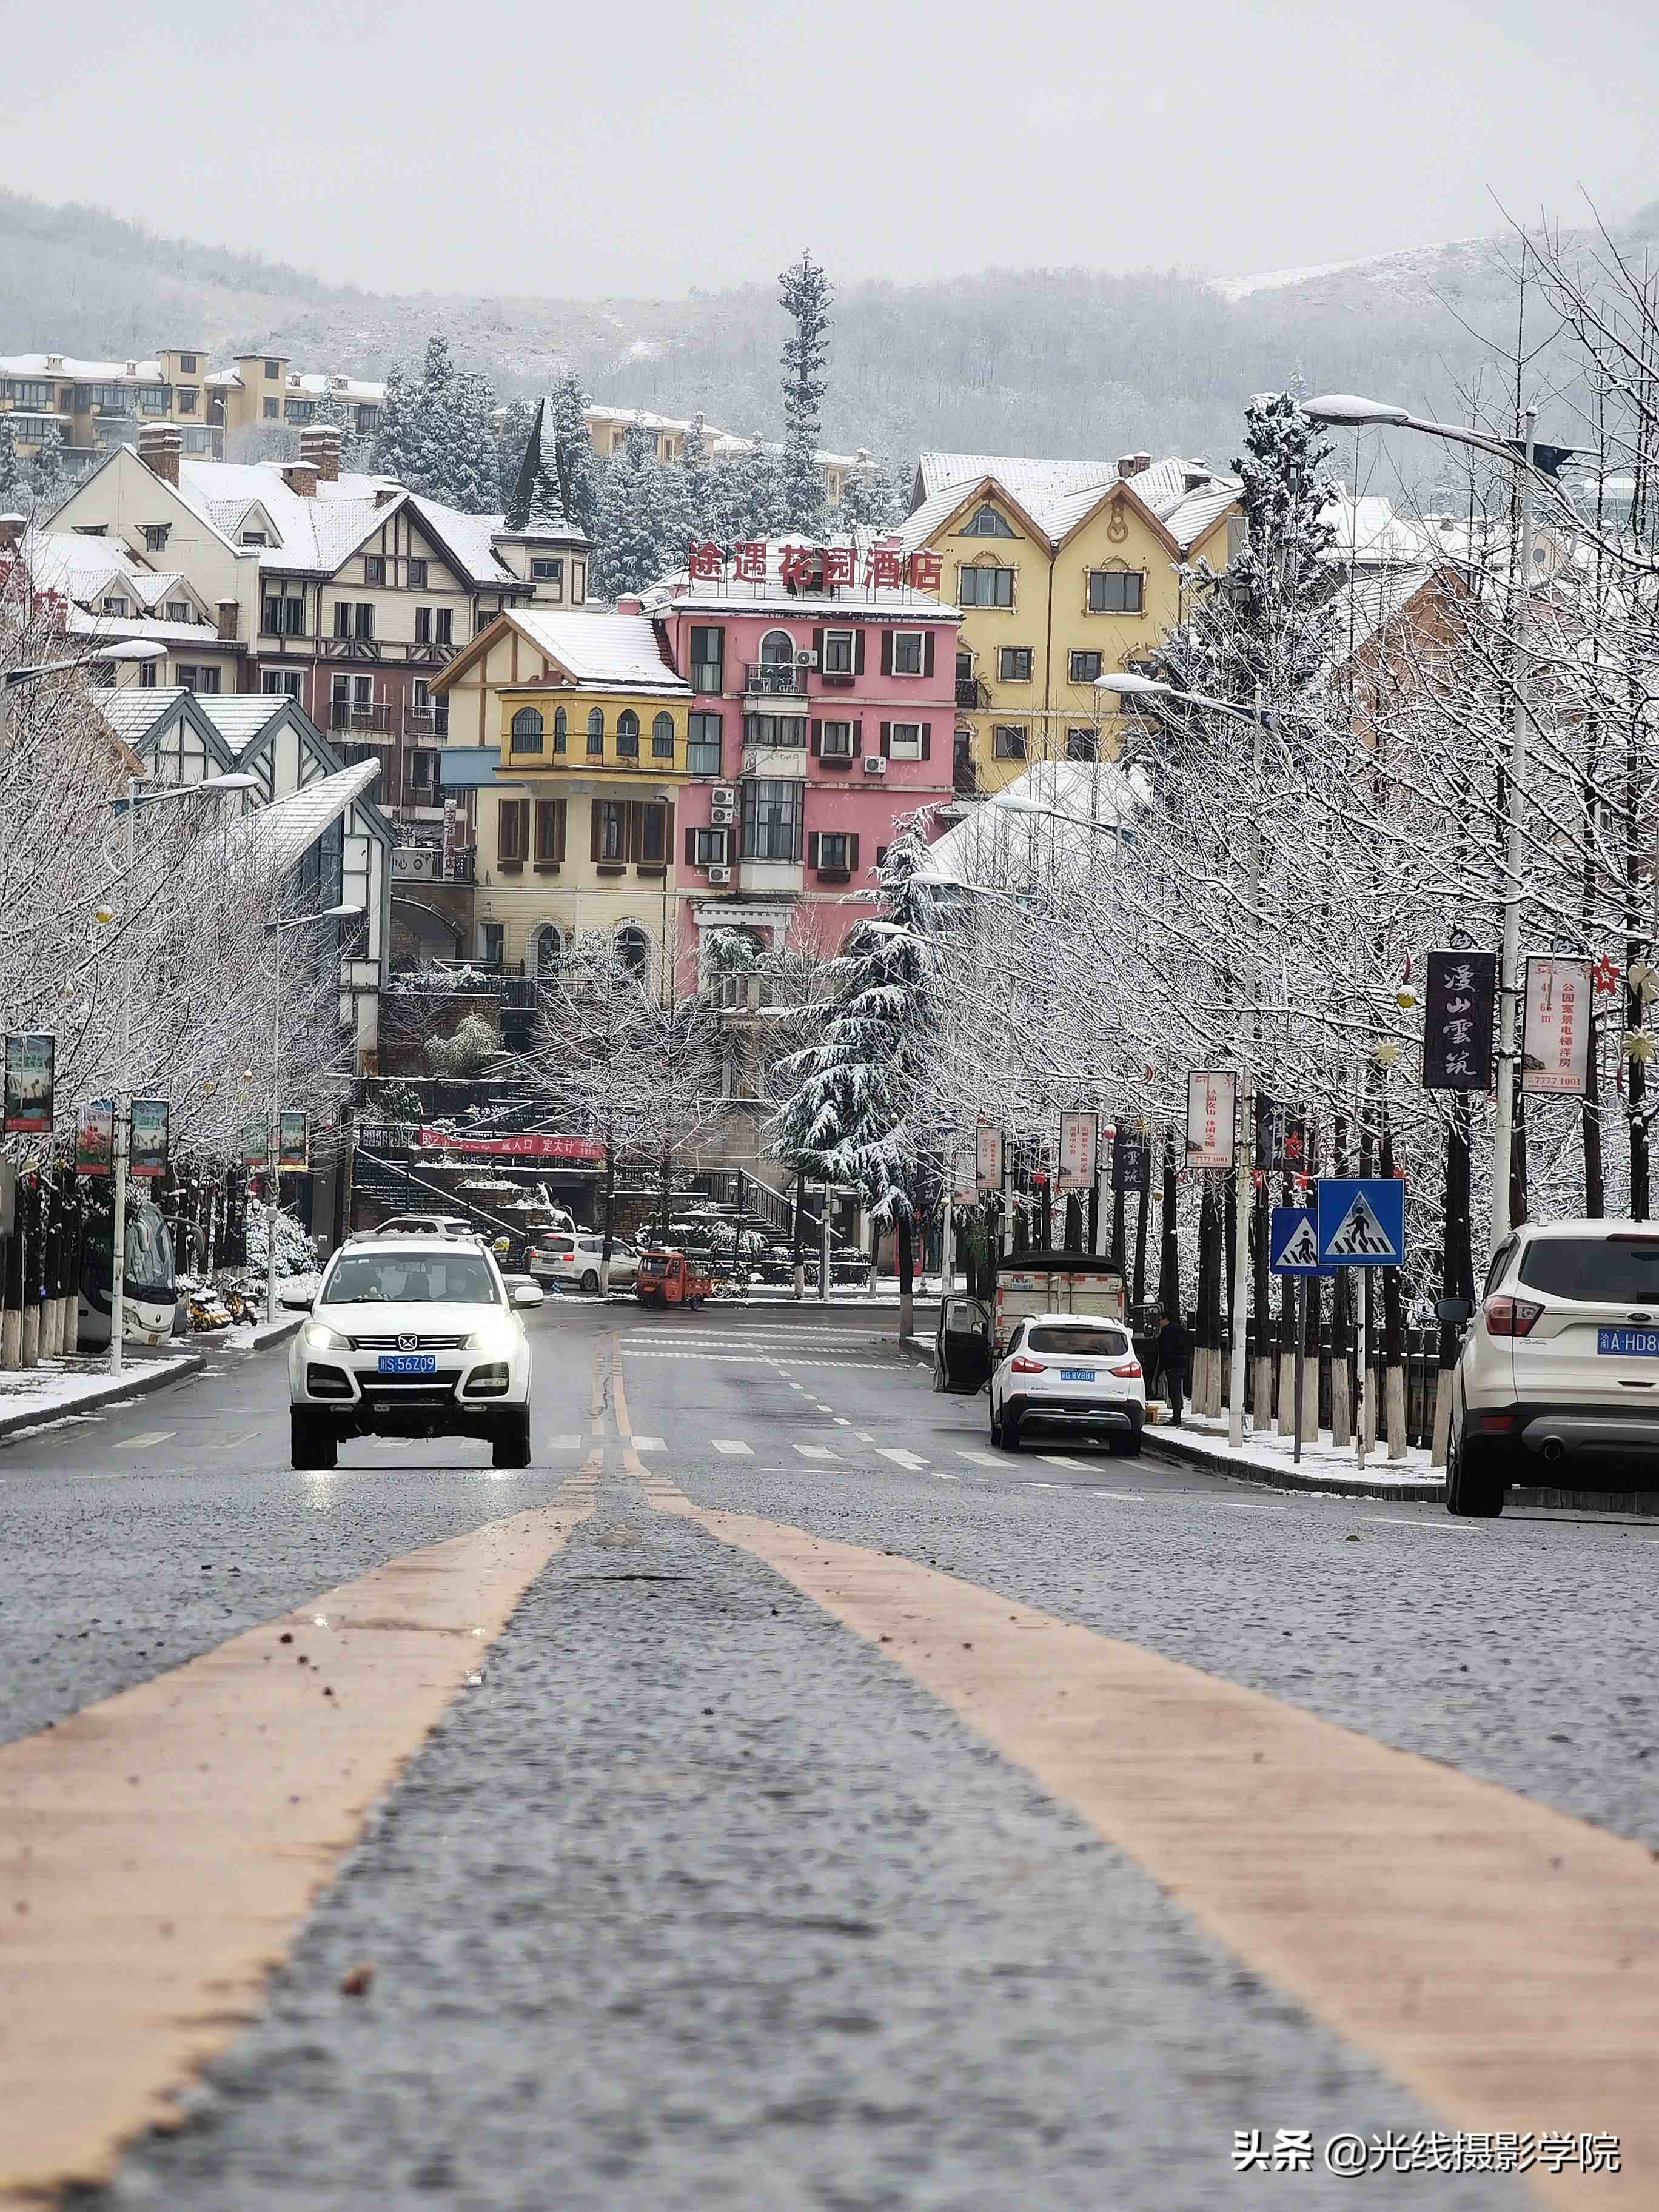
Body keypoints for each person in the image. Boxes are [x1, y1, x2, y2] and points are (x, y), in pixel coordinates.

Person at [1156, 1308, 1191, 1426]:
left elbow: (1165, 1351)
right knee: (1176, 1391)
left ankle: (1177, 1418)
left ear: (1166, 1320)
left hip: (1173, 1365)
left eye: (1161, 1320)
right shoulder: (1180, 1330)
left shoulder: (1167, 1332)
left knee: (1174, 1391)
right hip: (1182, 1364)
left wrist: (1161, 1369)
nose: (1160, 1322)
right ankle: (1177, 1416)